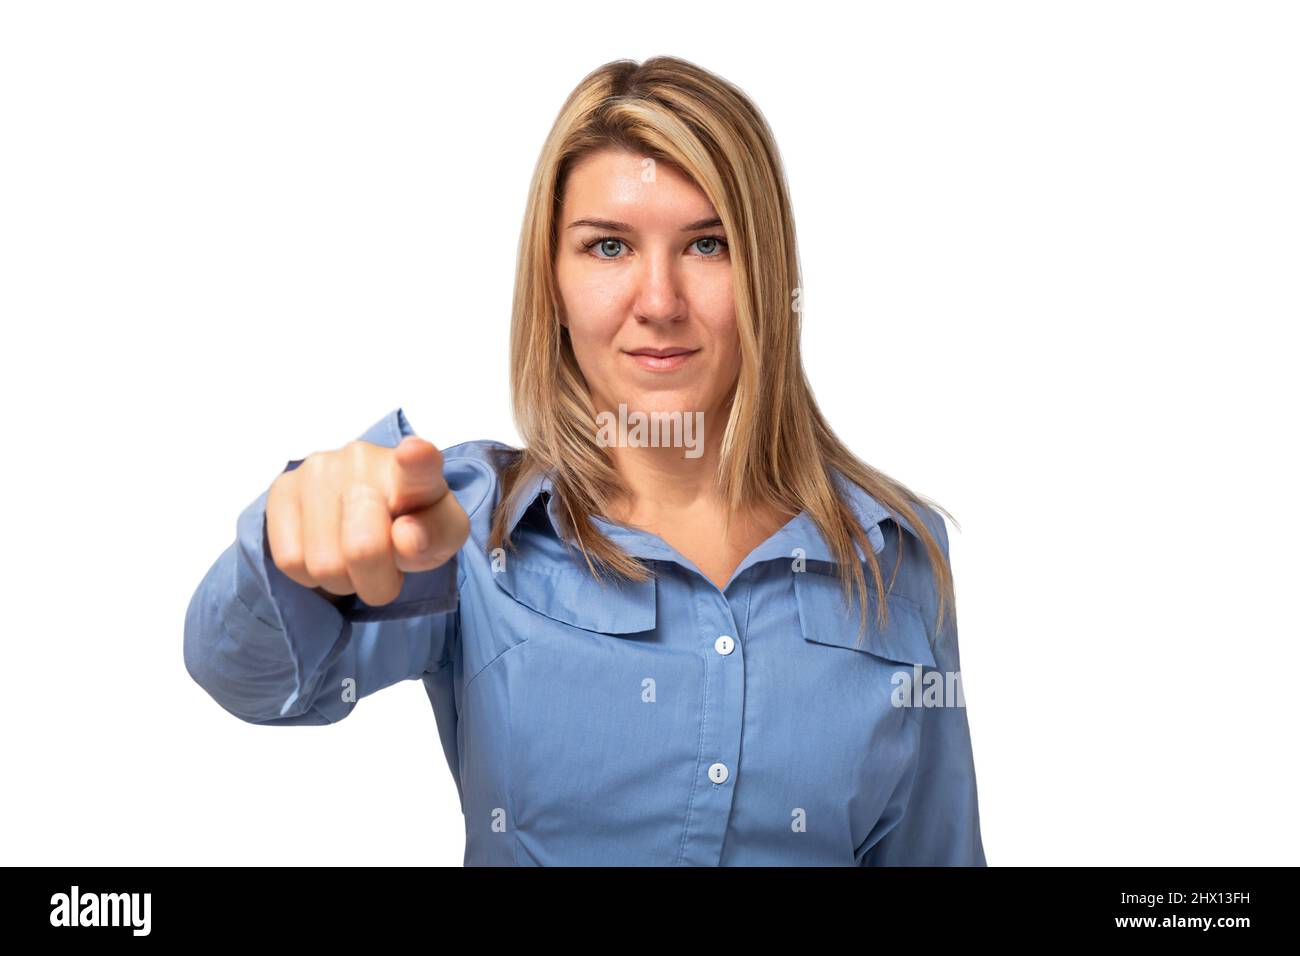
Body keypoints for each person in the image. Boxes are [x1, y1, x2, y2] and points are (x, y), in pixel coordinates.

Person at [183, 55, 987, 866]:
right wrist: (288, 555)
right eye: (609, 247)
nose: (661, 301)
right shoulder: (464, 528)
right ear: (554, 284)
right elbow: (247, 679)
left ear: (767, 276)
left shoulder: (894, 553)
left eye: (708, 245)